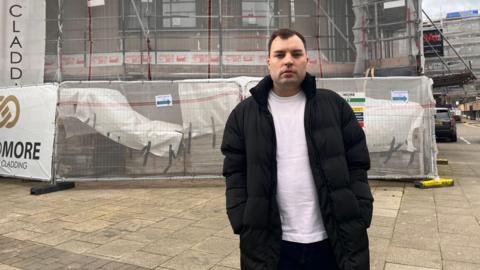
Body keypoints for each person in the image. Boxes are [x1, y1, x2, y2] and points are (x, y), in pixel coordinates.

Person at [221, 28, 373, 270]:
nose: (288, 60)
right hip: (270, 243)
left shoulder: (334, 106)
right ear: (268, 61)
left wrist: (361, 209)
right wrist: (240, 217)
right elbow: (234, 171)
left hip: (333, 239)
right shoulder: (243, 115)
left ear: (307, 60)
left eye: (296, 53)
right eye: (280, 54)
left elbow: (357, 162)